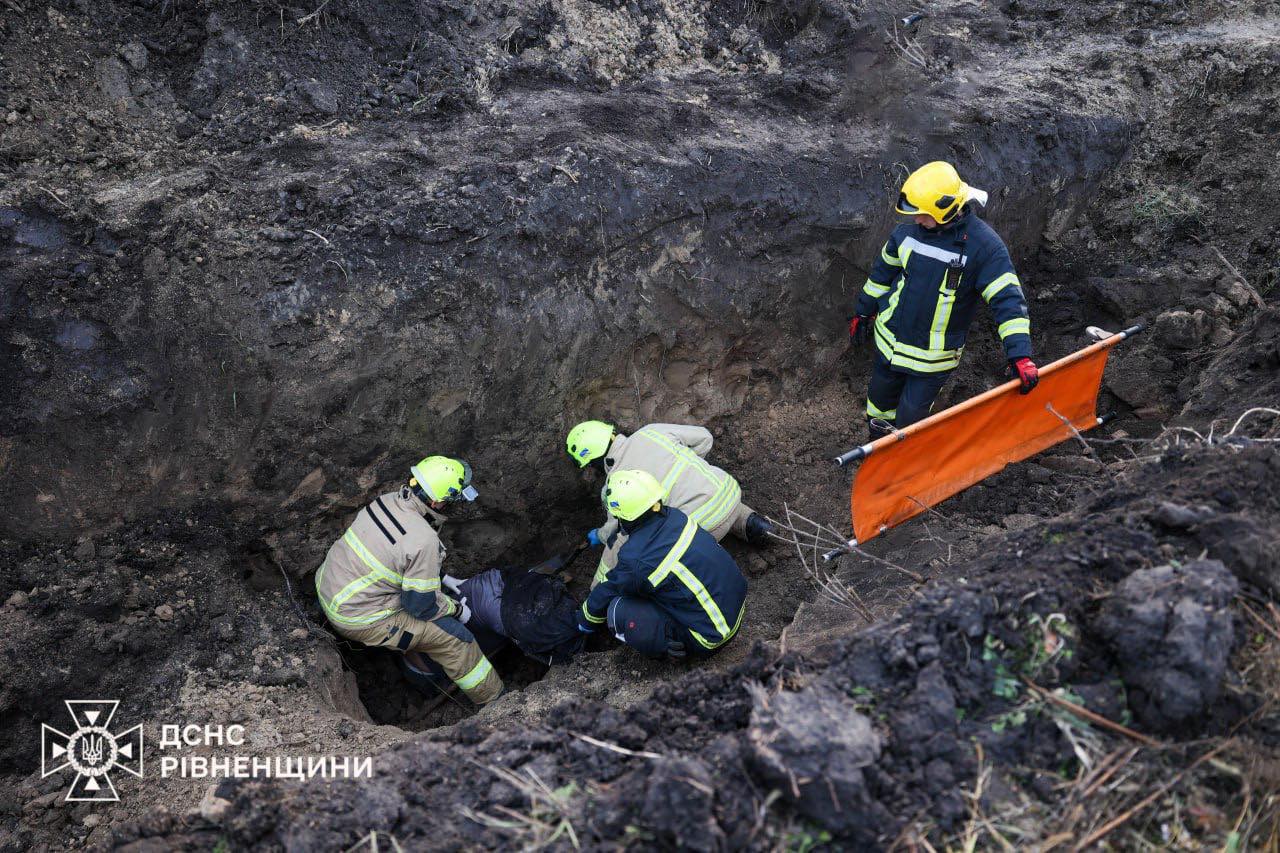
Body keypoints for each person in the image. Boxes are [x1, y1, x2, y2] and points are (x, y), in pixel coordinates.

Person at [848, 161, 1039, 439]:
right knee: (878, 410)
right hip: (888, 344)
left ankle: (903, 469)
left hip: (931, 363)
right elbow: (880, 277)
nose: (917, 220)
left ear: (946, 208)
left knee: (910, 424)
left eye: (923, 214)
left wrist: (1019, 354)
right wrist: (862, 312)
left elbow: (1008, 301)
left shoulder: (984, 248)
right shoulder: (905, 235)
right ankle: (877, 455)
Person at [314, 456, 504, 705]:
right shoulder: (424, 539)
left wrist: (443, 578)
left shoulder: (386, 501)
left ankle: (418, 663)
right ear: (437, 501)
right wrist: (456, 609)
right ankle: (495, 700)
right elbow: (420, 607)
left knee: (427, 628)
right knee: (456, 639)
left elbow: (396, 557)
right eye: (452, 500)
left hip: (330, 586)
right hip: (358, 617)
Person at [564, 420, 772, 587]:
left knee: (655, 541)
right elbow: (704, 437)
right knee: (714, 501)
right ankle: (753, 525)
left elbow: (618, 533)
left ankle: (709, 563)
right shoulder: (651, 431)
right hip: (729, 492)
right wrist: (687, 463)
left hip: (704, 527)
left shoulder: (616, 483)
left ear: (594, 460)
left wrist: (600, 537)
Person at [576, 470, 748, 660]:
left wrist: (584, 621)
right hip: (736, 607)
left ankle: (673, 647)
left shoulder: (637, 559)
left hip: (710, 636)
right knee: (654, 585)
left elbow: (610, 588)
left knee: (618, 610)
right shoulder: (675, 517)